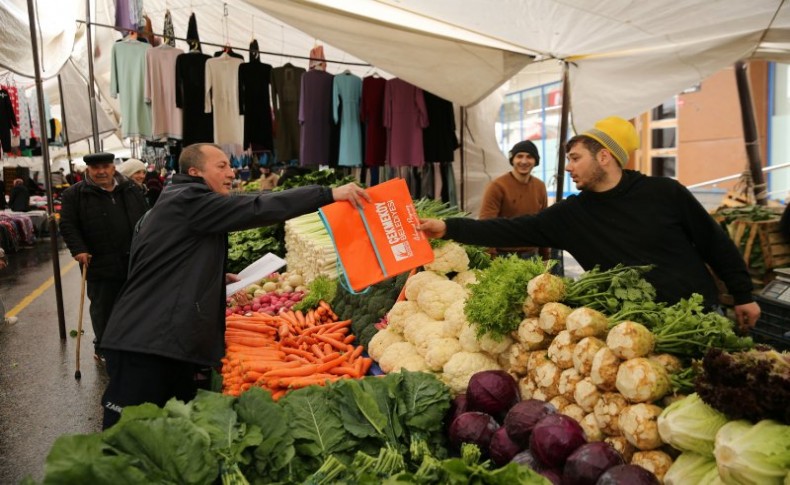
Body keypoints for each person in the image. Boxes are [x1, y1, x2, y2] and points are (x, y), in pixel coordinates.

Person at [99, 143, 369, 429]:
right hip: (148, 342)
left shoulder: (176, 198)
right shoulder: (191, 200)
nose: (231, 173)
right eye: (221, 166)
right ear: (194, 171)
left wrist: (209, 273)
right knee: (123, 434)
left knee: (167, 431)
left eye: (230, 165)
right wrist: (326, 194)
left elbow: (158, 260)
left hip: (159, 340)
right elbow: (255, 206)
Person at [419, 116, 761, 329]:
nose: (568, 167)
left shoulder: (664, 192)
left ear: (604, 156)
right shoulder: (572, 215)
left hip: (700, 316)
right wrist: (449, 227)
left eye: (575, 158)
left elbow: (712, 240)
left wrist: (742, 294)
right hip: (637, 329)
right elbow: (509, 228)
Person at [59, 153, 148, 361]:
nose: (101, 171)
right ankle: (104, 347)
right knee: (103, 307)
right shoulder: (75, 194)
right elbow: (67, 224)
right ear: (87, 170)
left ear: (113, 167)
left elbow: (146, 217)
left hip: (133, 259)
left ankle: (131, 342)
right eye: (95, 167)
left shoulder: (130, 188)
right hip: (98, 261)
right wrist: (78, 249)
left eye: (105, 166)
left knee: (135, 302)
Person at [479, 139, 549, 260]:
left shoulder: (540, 186)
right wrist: (490, 257)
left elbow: (544, 224)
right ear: (512, 160)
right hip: (503, 255)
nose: (524, 161)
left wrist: (545, 257)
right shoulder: (497, 186)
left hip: (531, 255)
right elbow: (485, 225)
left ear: (535, 161)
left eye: (529, 157)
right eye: (519, 156)